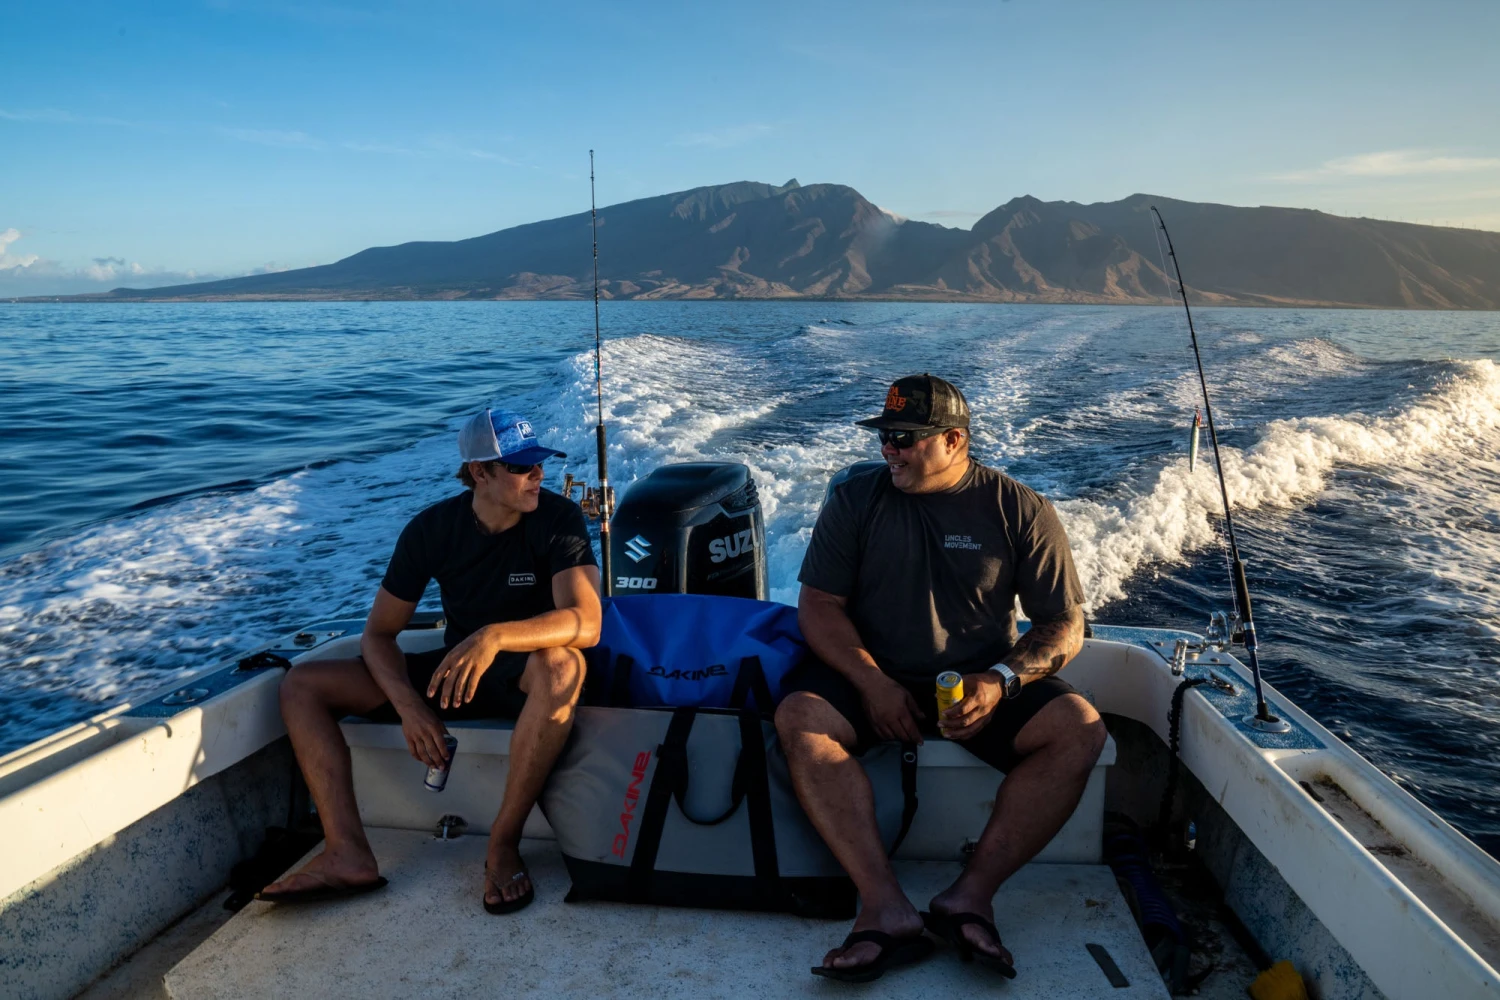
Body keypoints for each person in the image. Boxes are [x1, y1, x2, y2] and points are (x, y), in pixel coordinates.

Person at [775, 374, 1107, 982]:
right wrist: (872, 682)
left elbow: (1065, 624)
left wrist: (1002, 680)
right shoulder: (855, 499)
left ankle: (969, 898)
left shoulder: (1018, 509)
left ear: (954, 440)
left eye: (904, 438)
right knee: (801, 717)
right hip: (873, 674)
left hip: (978, 682)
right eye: (884, 436)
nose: (888, 450)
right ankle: (884, 907)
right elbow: (818, 605)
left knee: (1079, 729)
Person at [257, 408, 601, 915]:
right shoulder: (431, 530)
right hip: (455, 674)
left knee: (562, 664)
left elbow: (587, 622)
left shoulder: (558, 517)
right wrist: (410, 708)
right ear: (479, 473)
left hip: (525, 674)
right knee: (302, 685)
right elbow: (378, 635)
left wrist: (494, 637)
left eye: (539, 464)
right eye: (522, 467)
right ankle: (348, 852)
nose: (538, 476)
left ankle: (502, 843)